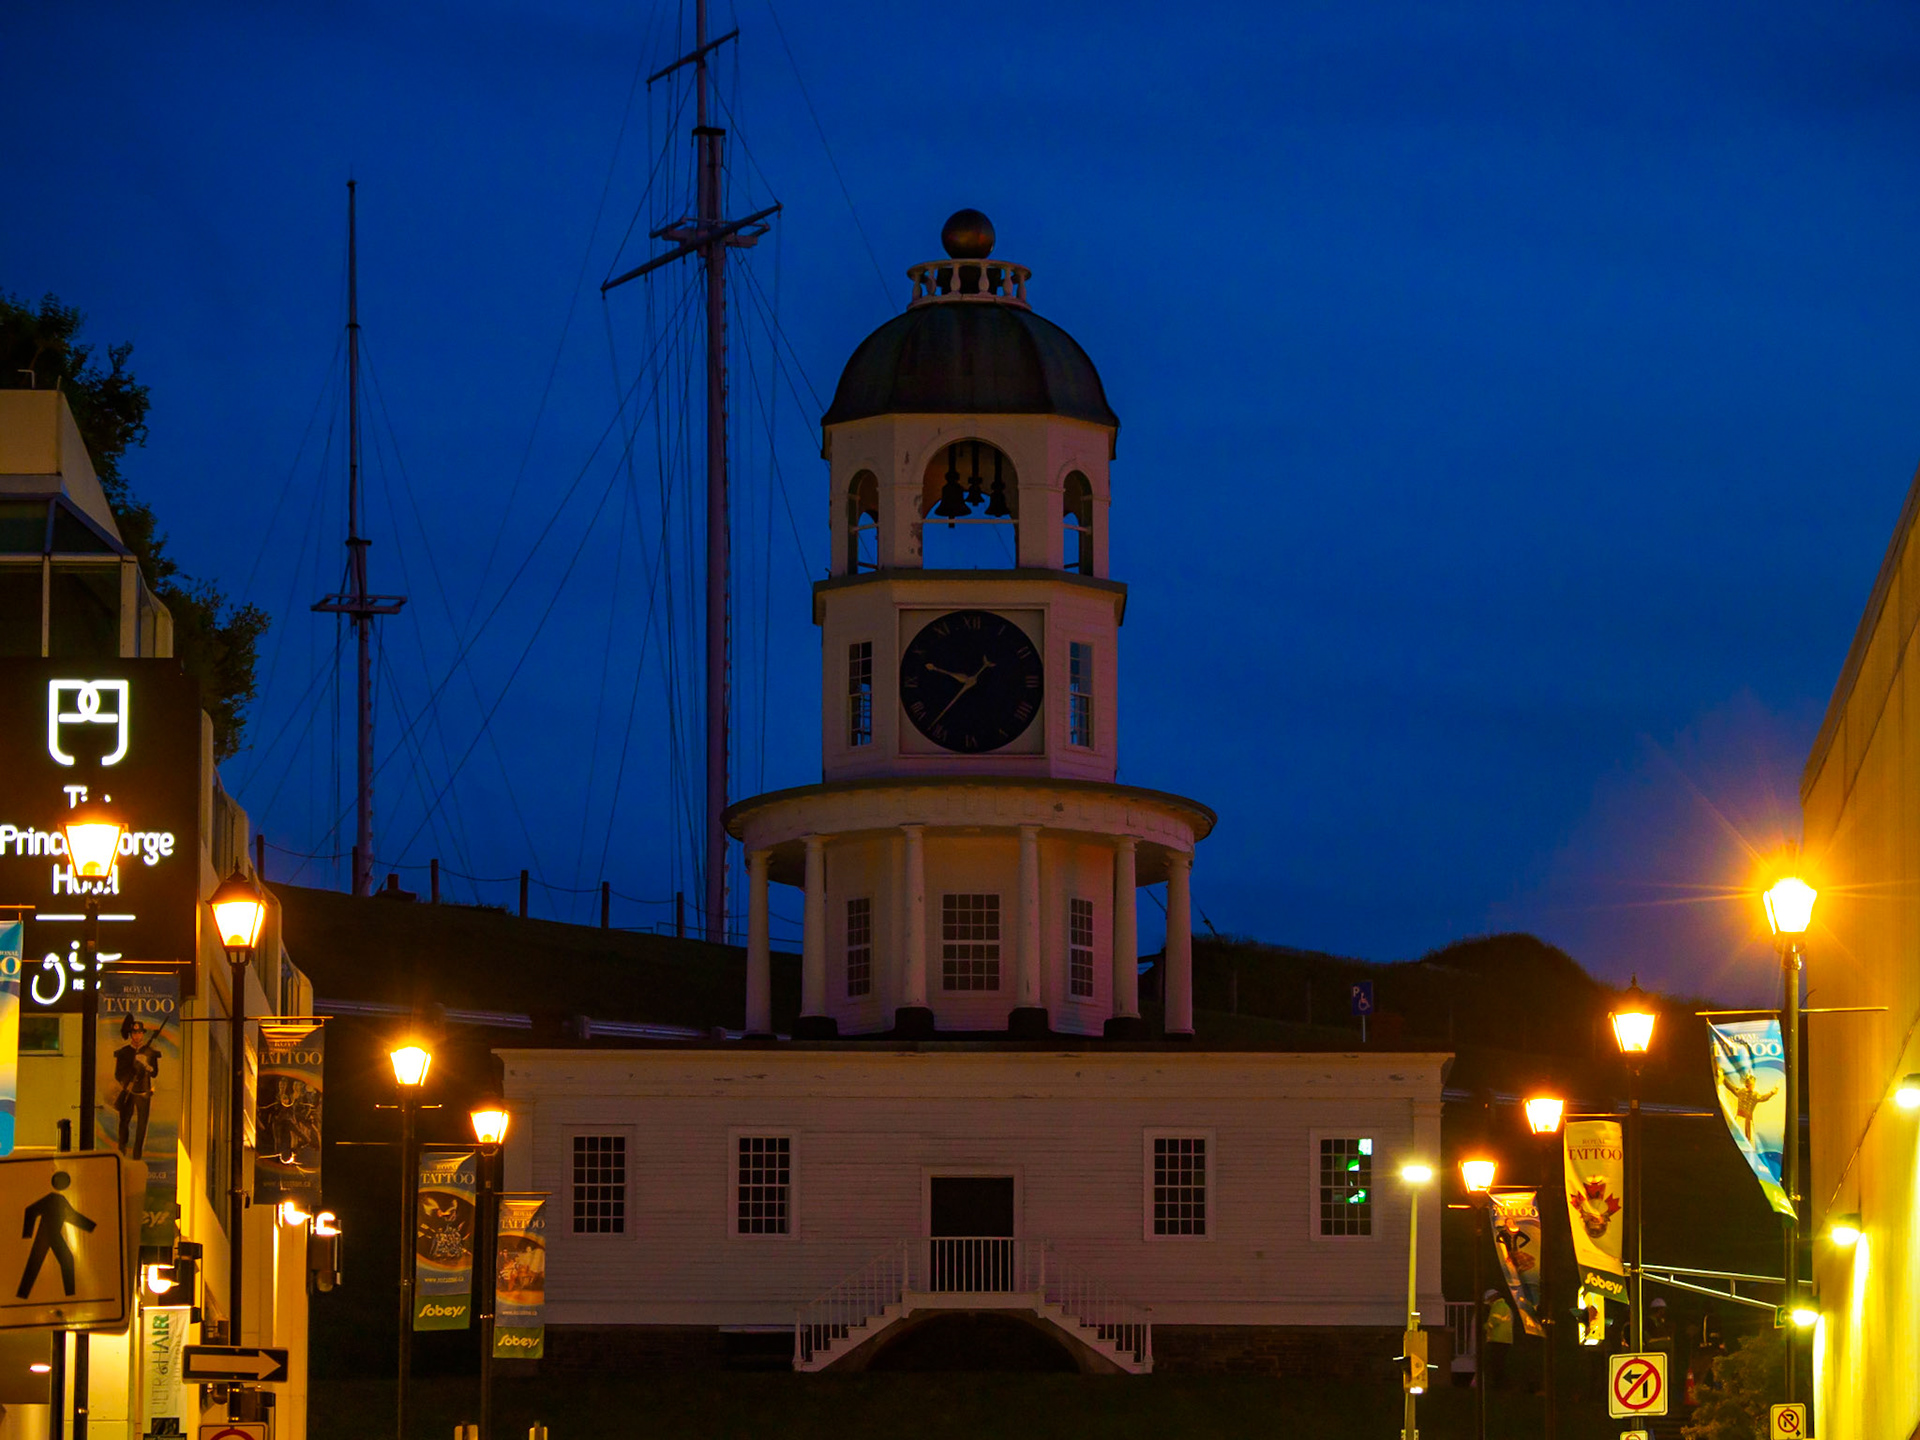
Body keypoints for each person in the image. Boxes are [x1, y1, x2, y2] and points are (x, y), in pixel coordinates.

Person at [111, 1015, 161, 1158]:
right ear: (131, 1034)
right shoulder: (124, 1052)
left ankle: (137, 1156)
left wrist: (146, 1064)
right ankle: (121, 1152)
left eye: (139, 1033)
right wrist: (127, 1083)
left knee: (142, 1126)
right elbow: (118, 1073)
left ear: (143, 1034)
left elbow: (155, 1073)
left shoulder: (149, 1052)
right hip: (129, 1091)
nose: (137, 1035)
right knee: (124, 1122)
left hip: (144, 1092)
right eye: (134, 1033)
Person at [1482, 1288, 1513, 1390]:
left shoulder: (1498, 1306)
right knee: (1500, 1364)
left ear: (1492, 1298)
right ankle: (1501, 1386)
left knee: (1497, 1365)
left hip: (1498, 1339)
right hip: (1505, 1340)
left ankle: (1498, 1387)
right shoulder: (1505, 1306)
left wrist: (1485, 1327)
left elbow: (1494, 1321)